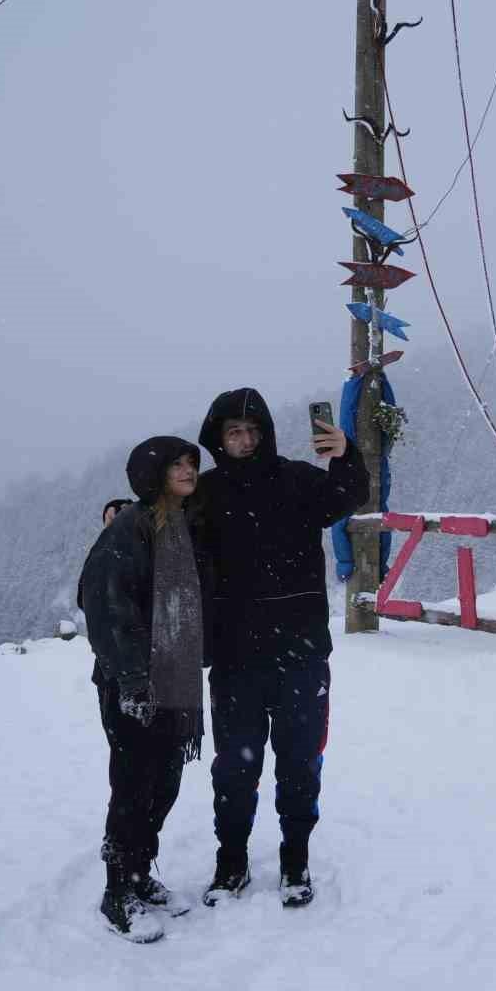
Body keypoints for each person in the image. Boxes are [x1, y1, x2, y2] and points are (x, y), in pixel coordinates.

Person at [194, 388, 369, 908]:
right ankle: (232, 861)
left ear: (265, 433)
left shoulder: (296, 479)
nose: (244, 440)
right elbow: (163, 525)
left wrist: (346, 455)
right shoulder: (203, 494)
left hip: (300, 650)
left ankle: (296, 858)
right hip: (234, 655)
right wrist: (121, 512)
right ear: (218, 438)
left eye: (251, 430)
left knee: (299, 761)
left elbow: (346, 496)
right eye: (233, 432)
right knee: (234, 765)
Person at [79, 437, 211, 943]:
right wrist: (133, 680)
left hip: (176, 680)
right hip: (132, 684)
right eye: (176, 464)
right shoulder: (128, 531)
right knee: (133, 787)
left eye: (192, 463)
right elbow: (108, 610)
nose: (187, 470)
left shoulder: (182, 523)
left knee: (165, 784)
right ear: (152, 474)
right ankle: (116, 893)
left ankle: (138, 873)